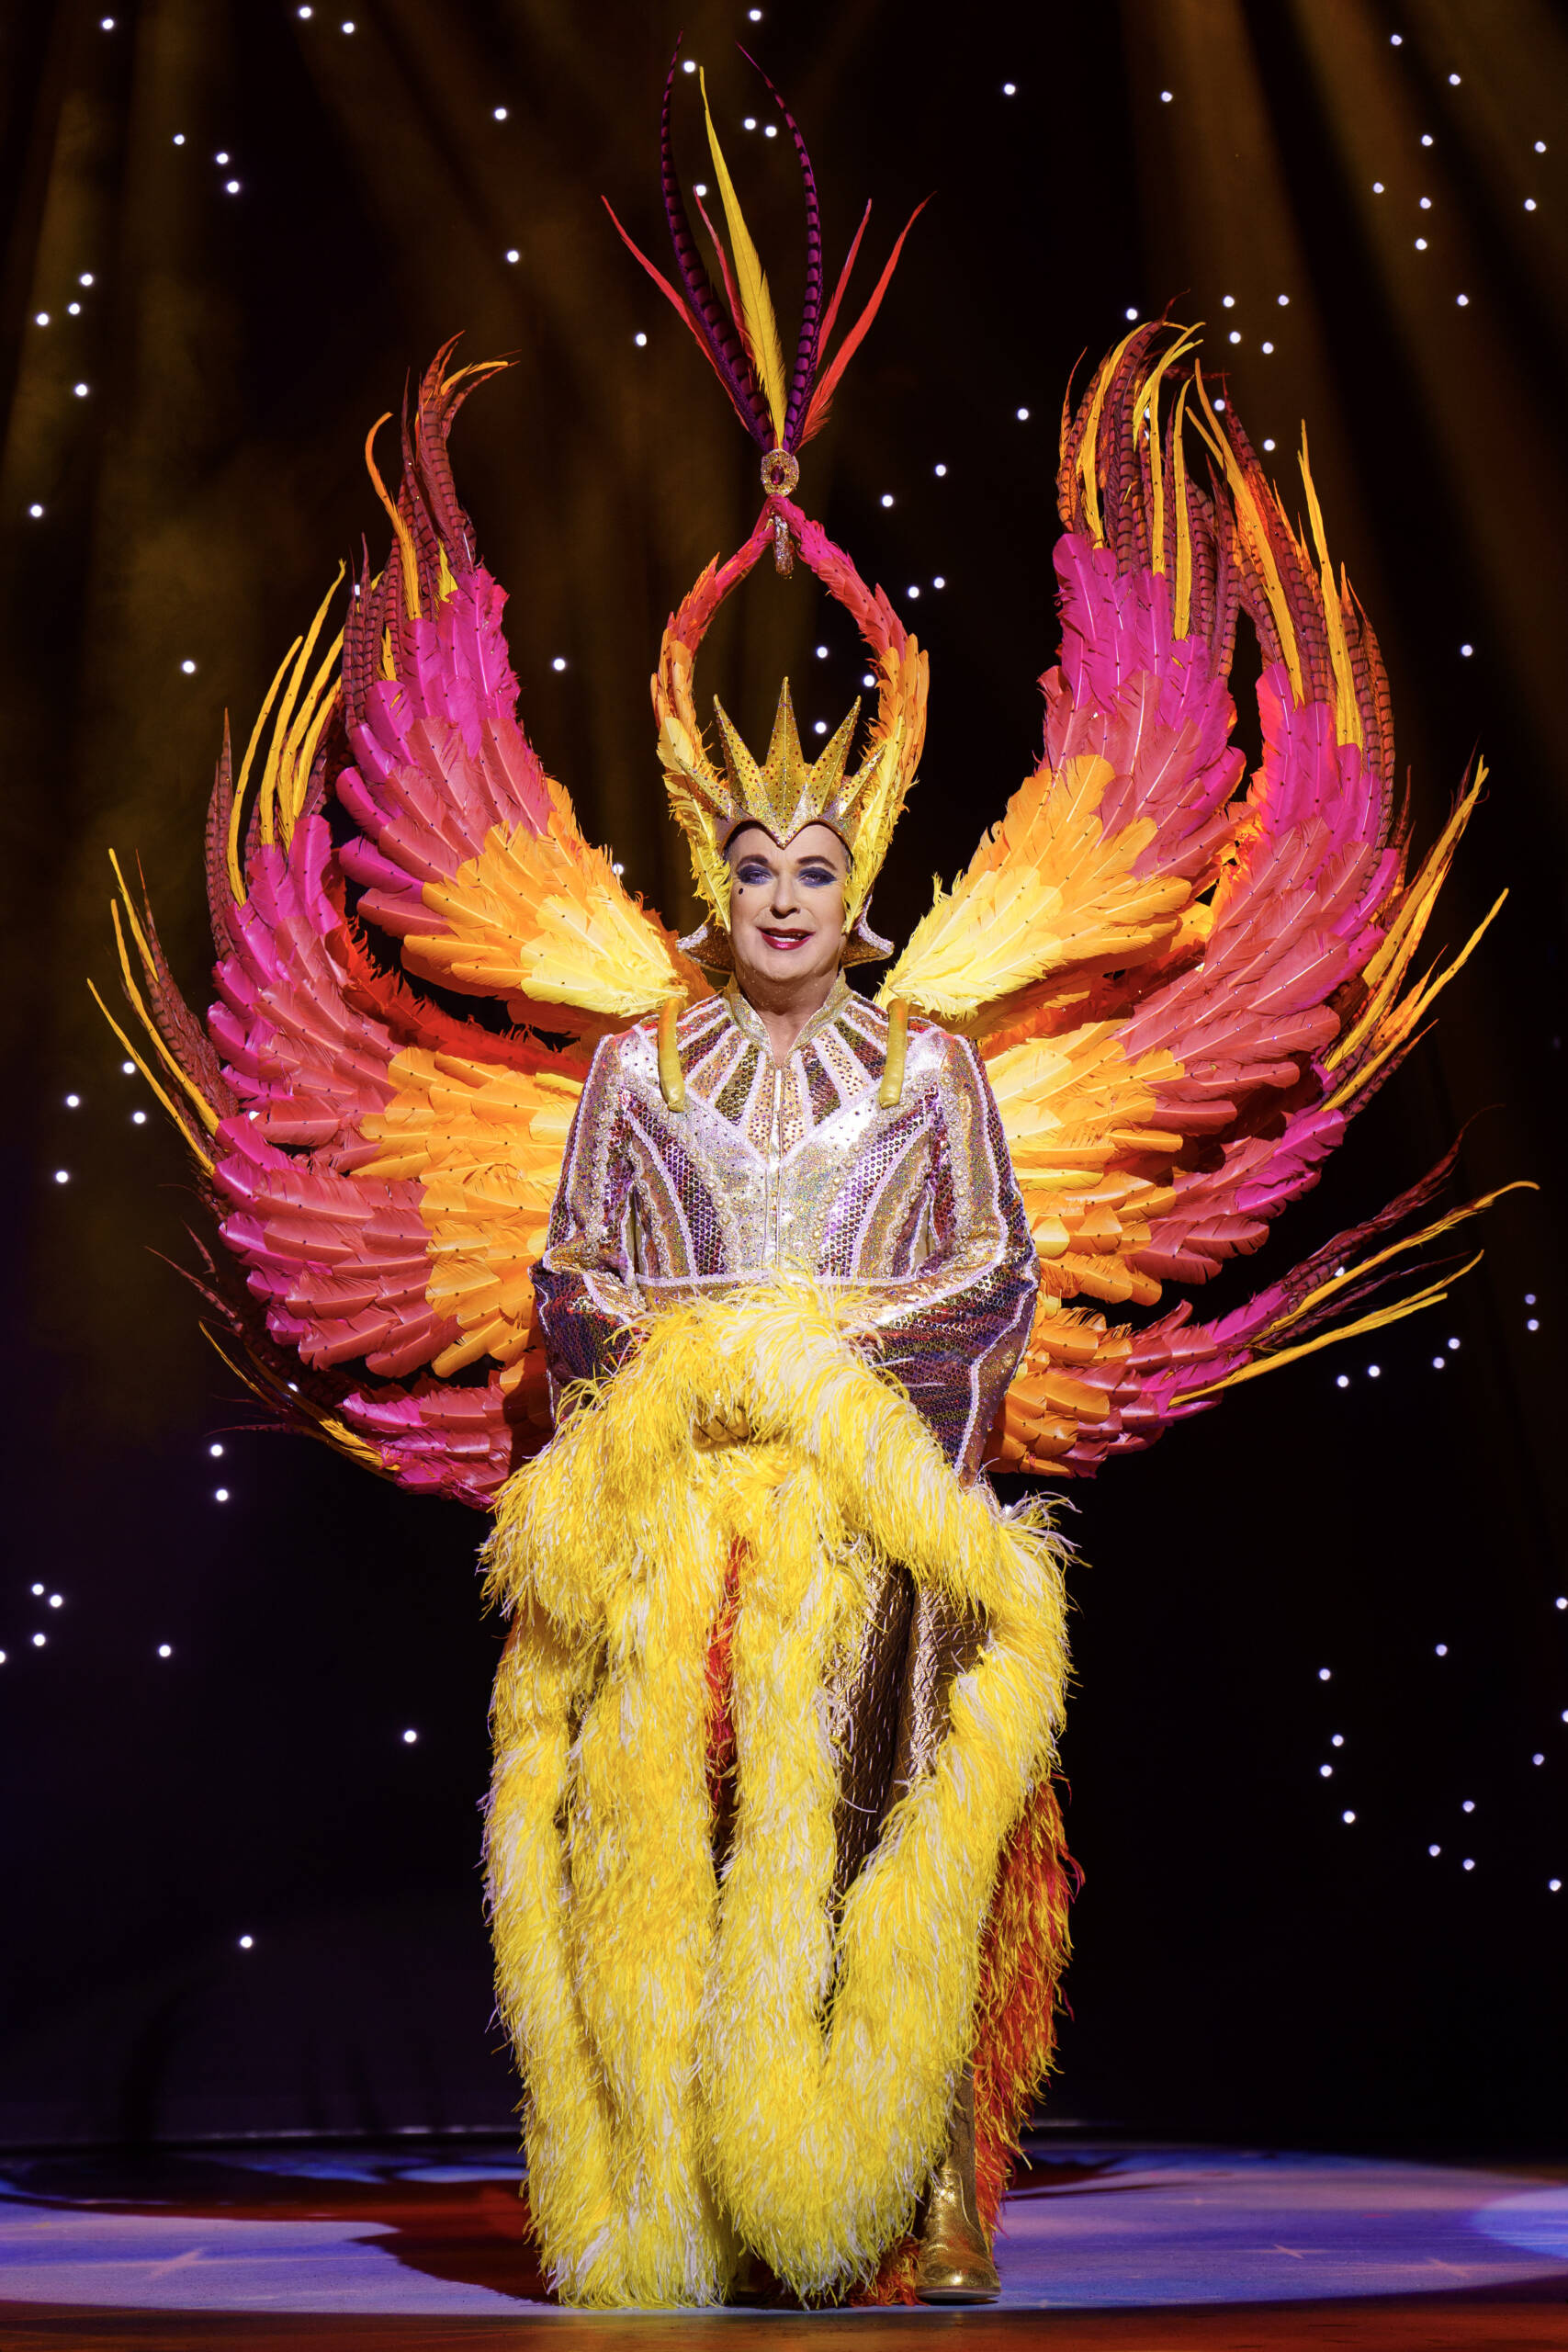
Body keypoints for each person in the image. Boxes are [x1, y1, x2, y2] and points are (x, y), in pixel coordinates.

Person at [525, 705, 1043, 2301]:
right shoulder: (637, 1070)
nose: (785, 898)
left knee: (904, 1823)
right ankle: (698, 2194)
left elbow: (996, 1272)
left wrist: (818, 1370)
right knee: (673, 1846)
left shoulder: (929, 1068)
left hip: (873, 1519)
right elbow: (570, 1277)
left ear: (856, 889)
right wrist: (705, 1370)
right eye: (757, 869)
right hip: (682, 1513)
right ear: (720, 889)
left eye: (815, 870)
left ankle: (929, 2192)